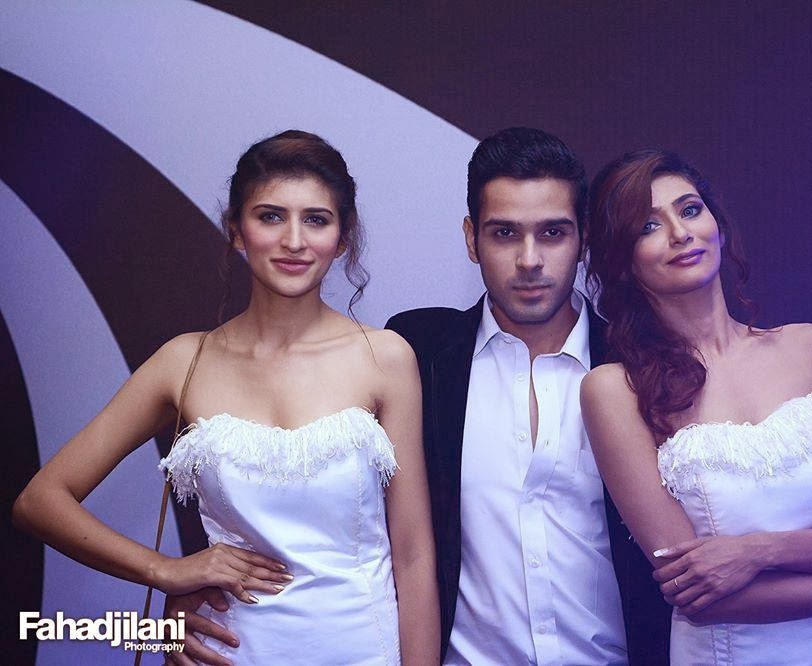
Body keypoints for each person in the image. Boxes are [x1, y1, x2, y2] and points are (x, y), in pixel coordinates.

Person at [13, 130, 439, 665]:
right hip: (230, 651)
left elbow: (414, 555)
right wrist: (165, 571)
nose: (294, 241)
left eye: (316, 219)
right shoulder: (184, 361)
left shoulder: (386, 357)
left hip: (362, 650)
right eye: (270, 216)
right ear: (236, 229)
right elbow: (39, 502)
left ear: (343, 237)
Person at [580, 148, 812, 665]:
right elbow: (700, 595)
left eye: (690, 210)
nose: (680, 233)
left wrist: (756, 551)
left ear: (718, 225)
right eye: (648, 225)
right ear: (622, 261)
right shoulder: (613, 390)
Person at [386, 127, 670, 664]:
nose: (530, 259)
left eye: (553, 233)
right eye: (504, 234)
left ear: (584, 238)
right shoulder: (417, 354)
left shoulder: (643, 363)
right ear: (471, 239)